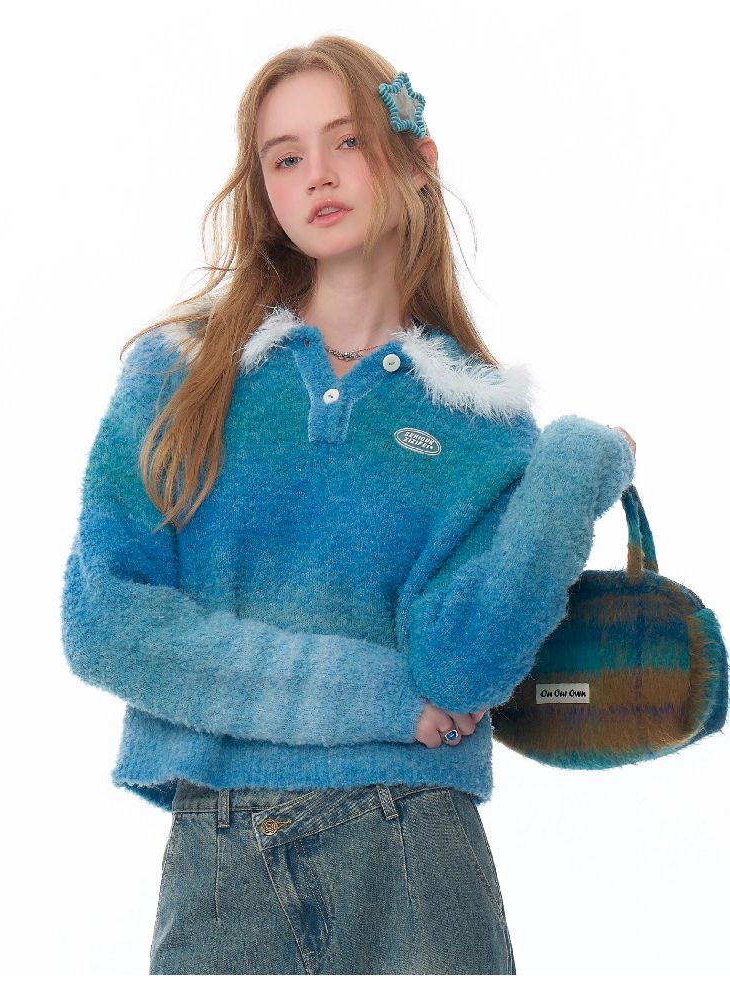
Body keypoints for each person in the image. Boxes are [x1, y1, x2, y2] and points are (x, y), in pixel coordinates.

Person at [60, 35, 637, 976]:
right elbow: (105, 624)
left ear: (416, 159)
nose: (318, 176)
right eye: (285, 158)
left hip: (416, 845)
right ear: (265, 191)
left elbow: (462, 669)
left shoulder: (483, 425)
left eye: (348, 141)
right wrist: (376, 697)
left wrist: (575, 467)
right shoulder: (180, 374)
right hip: (217, 853)